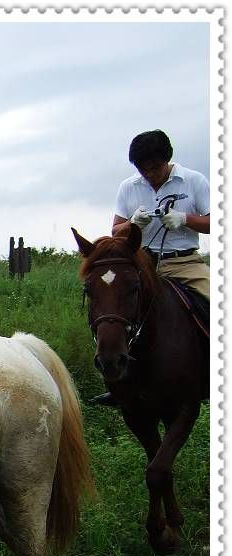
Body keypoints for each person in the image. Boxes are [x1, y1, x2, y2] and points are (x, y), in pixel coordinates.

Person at [93, 129, 210, 406]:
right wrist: (133, 224)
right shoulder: (129, 187)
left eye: (154, 168)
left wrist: (185, 219)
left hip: (184, 262)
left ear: (166, 160)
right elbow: (115, 230)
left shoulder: (193, 180)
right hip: (142, 264)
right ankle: (117, 383)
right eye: (143, 170)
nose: (150, 174)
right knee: (111, 310)